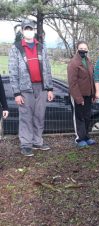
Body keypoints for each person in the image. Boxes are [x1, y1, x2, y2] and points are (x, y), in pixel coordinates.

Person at [8, 19, 54, 157]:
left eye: (31, 29)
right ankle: (26, 144)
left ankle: (37, 141)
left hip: (41, 87)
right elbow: (13, 71)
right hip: (24, 89)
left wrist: (49, 88)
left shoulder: (41, 47)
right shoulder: (16, 48)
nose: (29, 31)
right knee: (26, 117)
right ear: (22, 31)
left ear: (34, 30)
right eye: (26, 29)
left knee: (39, 115)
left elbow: (47, 68)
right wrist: (16, 93)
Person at [67, 41, 96, 148]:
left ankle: (86, 137)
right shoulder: (73, 63)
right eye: (81, 48)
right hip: (78, 95)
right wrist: (79, 98)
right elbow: (72, 82)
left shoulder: (88, 61)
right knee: (79, 117)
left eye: (85, 48)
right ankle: (79, 139)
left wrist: (93, 94)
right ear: (77, 49)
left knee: (87, 117)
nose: (83, 50)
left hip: (88, 94)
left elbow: (91, 79)